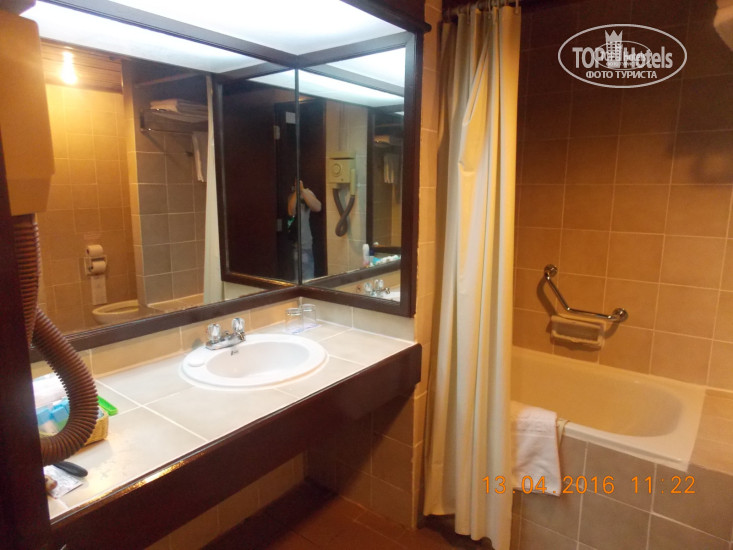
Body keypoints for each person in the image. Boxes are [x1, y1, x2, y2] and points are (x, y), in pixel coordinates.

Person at [288, 180, 321, 280]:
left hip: (305, 244)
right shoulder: (292, 196)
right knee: (295, 279)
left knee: (308, 279)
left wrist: (302, 190)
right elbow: (291, 212)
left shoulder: (307, 193)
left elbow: (317, 207)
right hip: (292, 245)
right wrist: (297, 192)